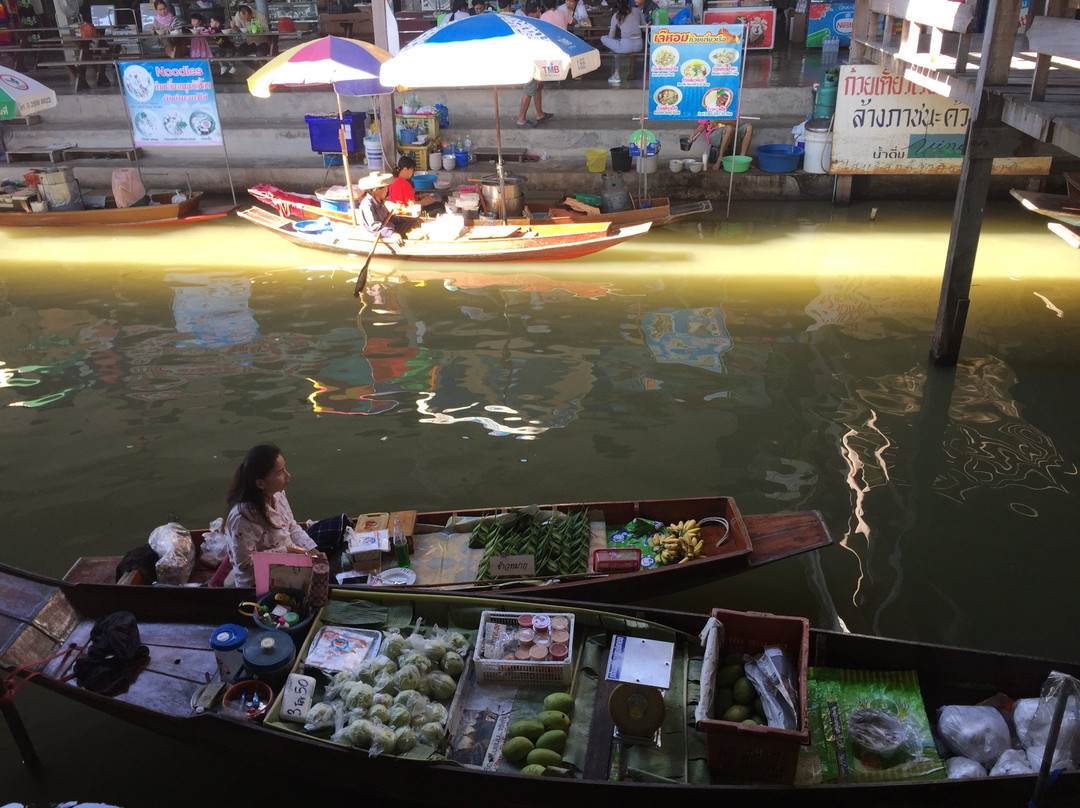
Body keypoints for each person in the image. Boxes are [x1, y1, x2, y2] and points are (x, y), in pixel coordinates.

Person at [224, 443, 317, 589]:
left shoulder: (278, 494)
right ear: (260, 484)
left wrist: (313, 550)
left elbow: (291, 527)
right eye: (280, 472)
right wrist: (286, 551)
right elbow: (245, 565)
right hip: (259, 582)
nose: (288, 475)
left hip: (288, 564)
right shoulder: (242, 518)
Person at [516, 1, 553, 128]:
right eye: (539, 11)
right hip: (530, 62)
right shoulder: (532, 25)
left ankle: (540, 114)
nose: (540, 13)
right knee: (529, 90)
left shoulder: (523, 23)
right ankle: (521, 119)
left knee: (538, 87)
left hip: (533, 61)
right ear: (537, 10)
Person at [357, 172, 414, 247]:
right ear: (376, 190)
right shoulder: (367, 205)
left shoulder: (380, 201)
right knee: (398, 236)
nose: (387, 190)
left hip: (389, 228)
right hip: (380, 235)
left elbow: (387, 219)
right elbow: (376, 227)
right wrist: (392, 234)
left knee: (412, 221)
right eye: (385, 187)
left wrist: (402, 218)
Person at [601, 0, 644, 84]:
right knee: (617, 43)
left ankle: (616, 74)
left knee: (604, 38)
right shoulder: (638, 11)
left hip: (625, 46)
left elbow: (611, 36)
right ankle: (619, 73)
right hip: (639, 45)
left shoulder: (616, 15)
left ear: (617, 4)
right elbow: (644, 28)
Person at [688, 119, 755, 168]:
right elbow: (702, 125)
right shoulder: (710, 106)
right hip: (714, 135)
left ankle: (742, 159)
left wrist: (720, 121)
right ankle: (720, 159)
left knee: (749, 127)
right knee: (729, 128)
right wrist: (694, 135)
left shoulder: (732, 105)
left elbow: (735, 123)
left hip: (730, 133)